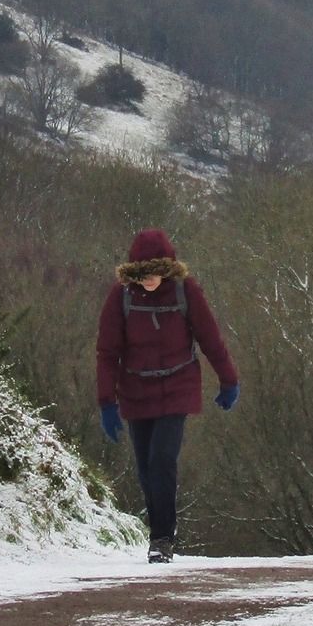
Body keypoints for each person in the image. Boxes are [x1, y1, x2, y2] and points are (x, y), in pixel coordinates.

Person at [95, 228, 239, 564]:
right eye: (142, 274)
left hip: (178, 386)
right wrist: (107, 403)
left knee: (162, 459)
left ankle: (162, 538)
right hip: (135, 389)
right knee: (145, 467)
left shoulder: (185, 291)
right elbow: (107, 352)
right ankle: (158, 532)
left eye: (155, 273)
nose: (149, 280)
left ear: (167, 269)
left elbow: (210, 337)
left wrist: (228, 379)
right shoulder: (121, 297)